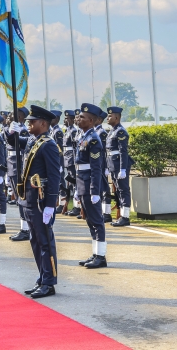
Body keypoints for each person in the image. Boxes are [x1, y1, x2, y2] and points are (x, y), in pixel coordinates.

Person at [7, 105, 61, 298]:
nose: (28, 123)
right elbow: (14, 142)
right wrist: (10, 132)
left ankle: (49, 283)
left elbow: (54, 177)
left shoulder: (48, 145)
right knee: (35, 241)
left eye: (32, 121)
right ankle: (42, 276)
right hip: (29, 199)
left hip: (40, 200)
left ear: (43, 124)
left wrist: (50, 205)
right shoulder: (33, 141)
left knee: (45, 242)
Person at [75, 104, 107, 269]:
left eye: (82, 117)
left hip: (89, 184)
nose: (78, 119)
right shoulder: (83, 136)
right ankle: (95, 253)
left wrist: (94, 191)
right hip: (82, 183)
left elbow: (96, 168)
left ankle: (101, 256)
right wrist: (77, 188)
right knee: (89, 221)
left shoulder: (94, 139)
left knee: (96, 221)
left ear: (91, 121)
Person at [5, 107, 31, 241]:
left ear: (20, 117)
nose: (9, 117)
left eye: (12, 115)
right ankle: (24, 228)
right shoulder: (11, 129)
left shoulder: (23, 130)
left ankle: (26, 229)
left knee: (22, 198)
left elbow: (24, 150)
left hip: (18, 166)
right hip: (12, 166)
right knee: (19, 199)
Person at [106, 107, 133, 226]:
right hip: (113, 165)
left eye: (110, 116)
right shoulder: (112, 131)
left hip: (119, 165)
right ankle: (122, 215)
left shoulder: (120, 132)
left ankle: (125, 217)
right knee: (118, 191)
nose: (107, 118)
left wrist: (123, 169)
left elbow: (123, 152)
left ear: (116, 117)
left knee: (123, 190)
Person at [94, 110, 112, 223]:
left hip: (102, 165)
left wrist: (106, 167)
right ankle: (100, 212)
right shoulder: (95, 132)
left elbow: (105, 152)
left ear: (100, 120)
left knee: (105, 189)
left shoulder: (102, 133)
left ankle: (107, 213)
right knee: (99, 189)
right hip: (97, 165)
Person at [60, 110, 78, 216]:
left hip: (71, 159)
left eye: (67, 118)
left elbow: (74, 148)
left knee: (75, 183)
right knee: (71, 184)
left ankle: (77, 207)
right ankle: (75, 206)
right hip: (67, 159)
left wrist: (75, 161)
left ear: (71, 120)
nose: (64, 120)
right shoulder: (68, 131)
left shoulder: (73, 131)